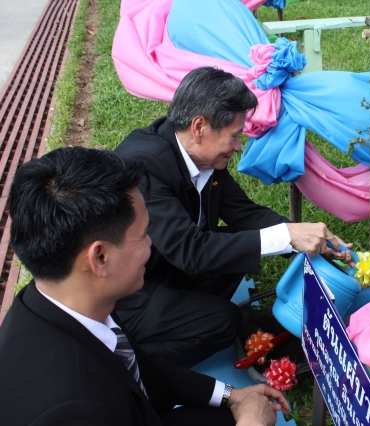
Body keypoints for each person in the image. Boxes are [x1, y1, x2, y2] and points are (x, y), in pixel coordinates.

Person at [0, 147, 289, 426]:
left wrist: (231, 395)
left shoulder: (64, 299)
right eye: (142, 235)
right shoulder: (75, 410)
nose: (151, 243)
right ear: (100, 257)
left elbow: (145, 366)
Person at [114, 66, 352, 366]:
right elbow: (190, 250)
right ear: (199, 127)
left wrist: (305, 239)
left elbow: (244, 213)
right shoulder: (144, 165)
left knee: (240, 248)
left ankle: (188, 311)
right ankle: (136, 362)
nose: (238, 147)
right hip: (131, 291)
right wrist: (287, 236)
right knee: (225, 322)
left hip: (167, 265)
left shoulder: (200, 155)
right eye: (235, 136)